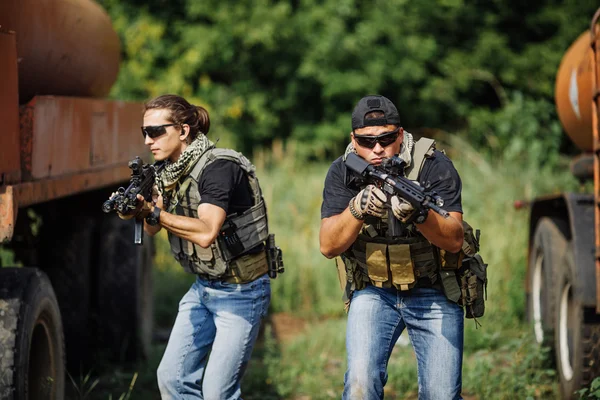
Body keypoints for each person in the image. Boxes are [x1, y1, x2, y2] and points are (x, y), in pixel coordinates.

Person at [120, 94, 274, 399]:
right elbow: (152, 229)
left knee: (217, 392)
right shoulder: (167, 171)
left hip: (241, 292)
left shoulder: (219, 168)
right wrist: (141, 208)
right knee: (171, 379)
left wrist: (154, 212)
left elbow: (206, 233)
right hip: (203, 288)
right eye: (144, 132)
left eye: (156, 131)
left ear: (183, 130)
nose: (149, 141)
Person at [319, 94, 466, 400]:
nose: (377, 148)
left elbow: (454, 239)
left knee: (441, 395)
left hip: (434, 289)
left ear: (400, 134)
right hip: (375, 291)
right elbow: (328, 245)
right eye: (366, 141)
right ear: (352, 139)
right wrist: (356, 210)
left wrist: (420, 214)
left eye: (386, 138)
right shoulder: (343, 171)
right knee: (360, 385)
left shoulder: (433, 165)